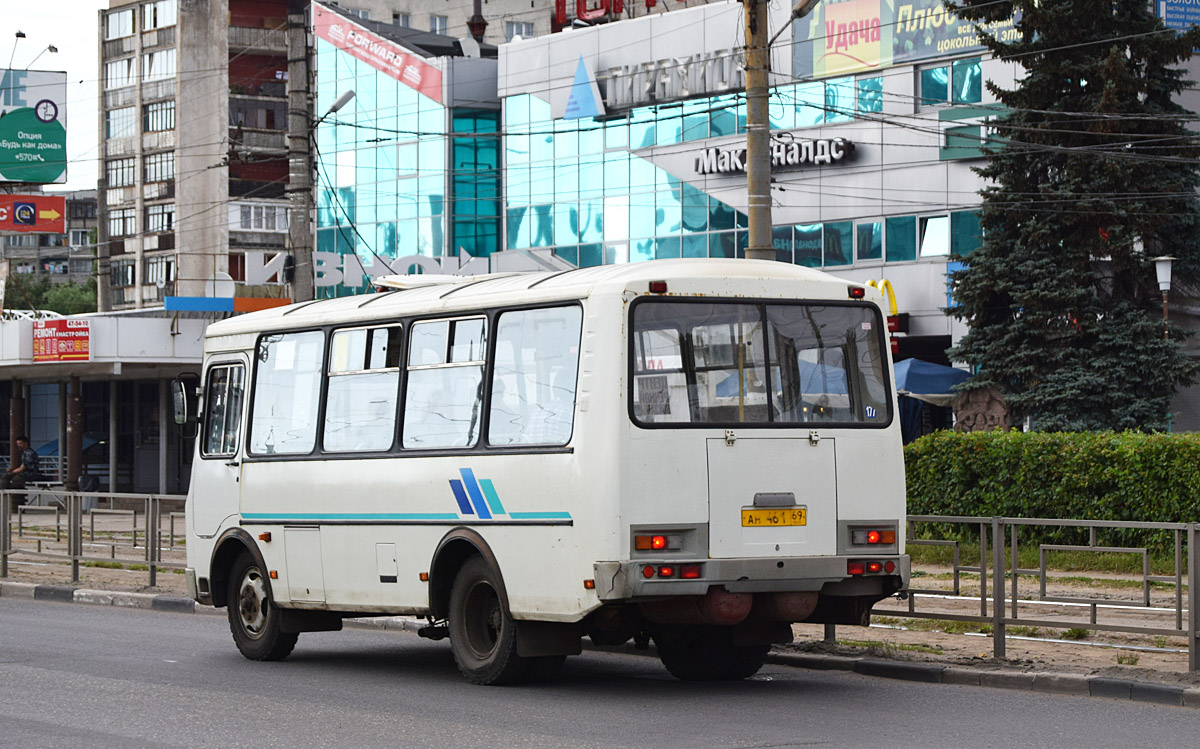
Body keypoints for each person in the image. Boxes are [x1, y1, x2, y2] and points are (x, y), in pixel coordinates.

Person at [0, 435, 41, 504]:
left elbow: (23, 467)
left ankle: (8, 493)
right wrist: (13, 470)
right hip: (25, 473)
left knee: (14, 480)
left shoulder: (29, 453)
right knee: (6, 477)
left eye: (20, 444)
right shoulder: (24, 453)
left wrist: (13, 472)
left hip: (30, 474)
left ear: (25, 443)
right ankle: (3, 490)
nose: (18, 445)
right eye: (17, 444)